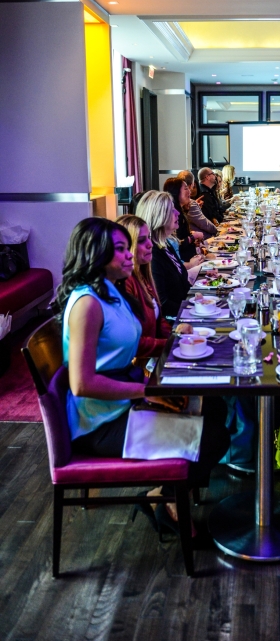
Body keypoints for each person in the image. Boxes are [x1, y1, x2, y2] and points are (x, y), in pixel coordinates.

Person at [55, 217, 229, 534]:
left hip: (124, 402)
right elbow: (81, 384)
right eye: (120, 249)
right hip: (101, 421)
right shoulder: (87, 303)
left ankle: (170, 494)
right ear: (95, 253)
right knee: (215, 437)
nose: (130, 255)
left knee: (215, 405)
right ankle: (162, 497)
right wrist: (145, 392)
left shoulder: (112, 292)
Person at [116, 214, 172, 361]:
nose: (150, 244)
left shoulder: (142, 274)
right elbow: (133, 343)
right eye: (141, 240)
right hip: (137, 368)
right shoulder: (124, 282)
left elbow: (159, 321)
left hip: (153, 359)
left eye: (148, 237)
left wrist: (177, 338)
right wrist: (172, 344)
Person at [136, 191, 197, 316]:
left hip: (184, 313)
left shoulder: (166, 244)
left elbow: (183, 285)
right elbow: (163, 304)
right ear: (159, 216)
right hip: (174, 322)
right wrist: (192, 309)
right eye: (172, 210)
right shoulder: (152, 253)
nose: (178, 213)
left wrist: (199, 299)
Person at [163, 177, 201, 262]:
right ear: (176, 192)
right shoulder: (173, 214)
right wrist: (193, 237)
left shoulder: (180, 210)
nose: (190, 191)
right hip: (184, 263)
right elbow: (176, 244)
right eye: (186, 189)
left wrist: (192, 240)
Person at [176, 170, 217, 240]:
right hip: (200, 241)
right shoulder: (190, 203)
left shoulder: (174, 202)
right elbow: (205, 224)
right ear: (191, 185)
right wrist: (217, 231)